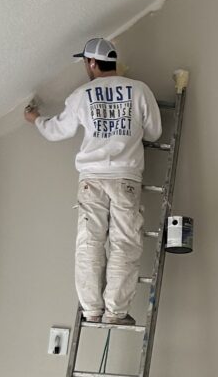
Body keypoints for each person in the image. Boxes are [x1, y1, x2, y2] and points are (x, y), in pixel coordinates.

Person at [25, 37, 164, 325]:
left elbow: (56, 131)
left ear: (91, 63)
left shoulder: (82, 94)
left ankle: (91, 309)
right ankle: (115, 312)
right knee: (124, 243)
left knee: (90, 244)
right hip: (126, 177)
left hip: (91, 180)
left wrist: (35, 118)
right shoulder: (139, 90)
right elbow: (154, 133)